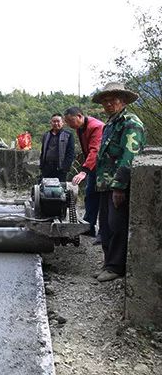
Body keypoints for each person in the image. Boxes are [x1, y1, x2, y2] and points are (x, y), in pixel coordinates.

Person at [91, 82, 145, 282]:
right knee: (104, 225)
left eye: (112, 100)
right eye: (105, 101)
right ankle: (108, 263)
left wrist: (120, 186)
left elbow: (129, 155)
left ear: (122, 101)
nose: (108, 104)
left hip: (117, 185)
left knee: (116, 225)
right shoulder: (111, 123)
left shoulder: (130, 123)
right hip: (104, 183)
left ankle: (115, 267)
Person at [63, 106, 104, 239]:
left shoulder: (96, 126)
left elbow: (95, 150)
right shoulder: (80, 128)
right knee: (90, 196)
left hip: (104, 168)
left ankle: (103, 233)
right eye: (67, 122)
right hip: (93, 167)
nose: (69, 125)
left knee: (104, 200)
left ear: (80, 116)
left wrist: (84, 171)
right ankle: (89, 227)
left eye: (71, 121)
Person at [39, 113, 75, 182]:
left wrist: (65, 167)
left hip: (60, 168)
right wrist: (41, 165)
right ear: (51, 123)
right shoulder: (46, 135)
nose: (56, 123)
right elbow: (43, 151)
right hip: (47, 167)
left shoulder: (68, 135)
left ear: (63, 123)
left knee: (59, 189)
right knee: (46, 187)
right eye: (54, 121)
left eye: (58, 121)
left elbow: (71, 153)